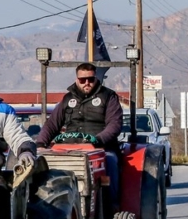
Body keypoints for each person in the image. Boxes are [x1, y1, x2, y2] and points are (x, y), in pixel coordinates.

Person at [34, 63, 124, 207]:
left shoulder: (109, 97)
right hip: (70, 147)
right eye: (83, 80)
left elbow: (114, 124)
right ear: (77, 79)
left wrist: (98, 139)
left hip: (100, 148)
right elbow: (52, 124)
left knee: (111, 161)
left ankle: (112, 208)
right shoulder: (67, 99)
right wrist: (40, 143)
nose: (87, 83)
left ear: (96, 78)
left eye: (90, 79)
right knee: (45, 165)